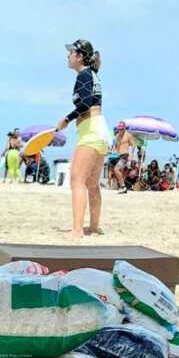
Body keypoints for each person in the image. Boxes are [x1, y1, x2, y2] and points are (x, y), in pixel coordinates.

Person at [54, 39, 111, 238]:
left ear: (79, 56)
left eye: (70, 52)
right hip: (100, 130)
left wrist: (66, 119)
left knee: (77, 179)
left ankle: (77, 230)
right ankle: (94, 227)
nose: (67, 55)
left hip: (91, 131)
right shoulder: (91, 75)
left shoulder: (84, 75)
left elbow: (85, 104)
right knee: (92, 183)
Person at [113, 121, 135, 193]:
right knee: (119, 172)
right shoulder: (117, 136)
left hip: (125, 155)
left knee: (116, 169)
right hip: (119, 156)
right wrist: (111, 150)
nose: (120, 130)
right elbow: (116, 147)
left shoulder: (128, 135)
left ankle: (123, 186)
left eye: (122, 128)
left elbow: (133, 145)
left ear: (125, 128)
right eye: (119, 128)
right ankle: (122, 187)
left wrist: (131, 155)